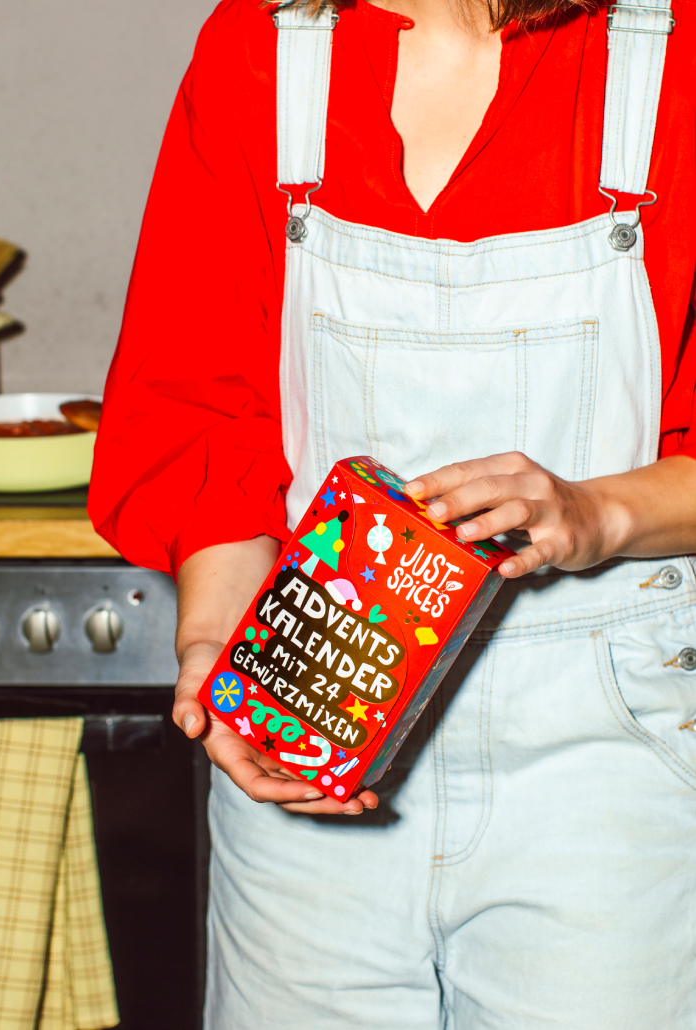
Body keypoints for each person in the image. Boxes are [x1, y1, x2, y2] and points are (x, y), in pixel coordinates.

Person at [89, 0, 696, 1023]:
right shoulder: (261, 46)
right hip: (313, 737)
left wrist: (597, 511)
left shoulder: (671, 49)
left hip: (607, 759)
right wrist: (216, 647)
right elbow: (208, 417)